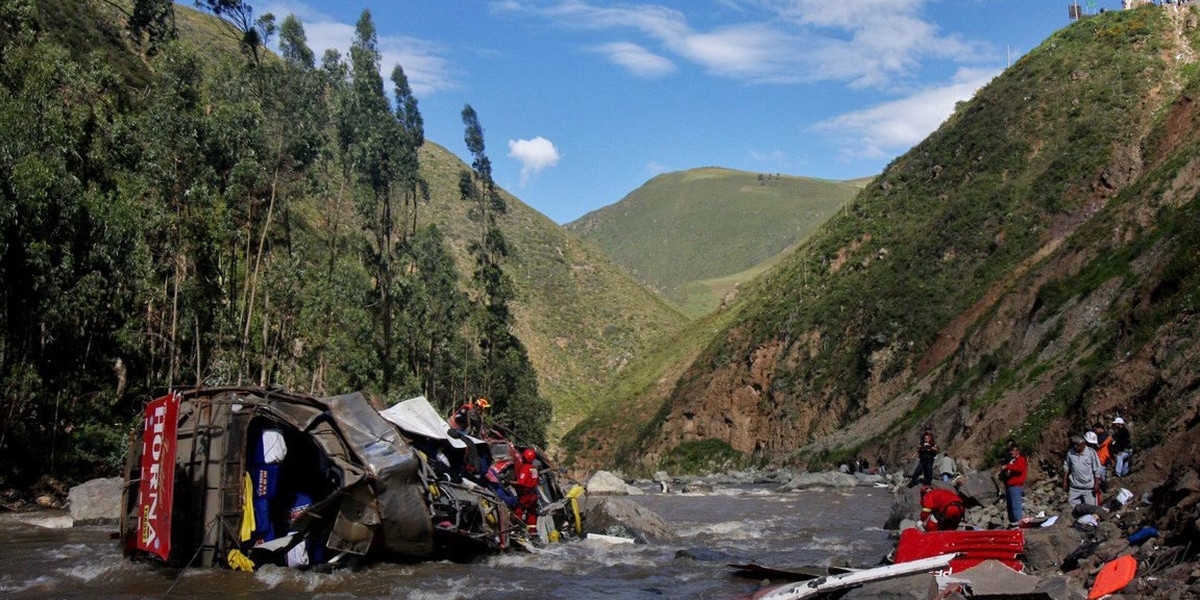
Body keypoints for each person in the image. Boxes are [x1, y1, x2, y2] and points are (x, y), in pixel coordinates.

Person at [1063, 434, 1102, 506]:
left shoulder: (1091, 453)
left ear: (1083, 444)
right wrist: (1065, 481)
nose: (1075, 446)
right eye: (1074, 444)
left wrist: (1096, 484)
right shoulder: (1070, 453)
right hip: (1075, 487)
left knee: (1091, 509)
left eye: (1077, 445)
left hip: (1088, 487)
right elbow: (1066, 467)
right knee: (1073, 509)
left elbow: (1097, 469)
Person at [512, 448, 541, 533]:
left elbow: (521, 483)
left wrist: (509, 482)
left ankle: (517, 530)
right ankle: (532, 532)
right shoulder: (534, 468)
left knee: (519, 511)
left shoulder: (526, 468)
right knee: (532, 514)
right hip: (533, 495)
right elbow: (536, 480)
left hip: (526, 495)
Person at [998, 444, 1027, 525]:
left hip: (1016, 485)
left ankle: (1018, 523)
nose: (1011, 453)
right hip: (1010, 486)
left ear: (1018, 451)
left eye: (1013, 451)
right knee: (1010, 506)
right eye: (1011, 451)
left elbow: (1020, 469)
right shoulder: (1013, 461)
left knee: (1016, 506)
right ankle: (1013, 522)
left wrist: (1008, 466)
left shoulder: (1020, 460)